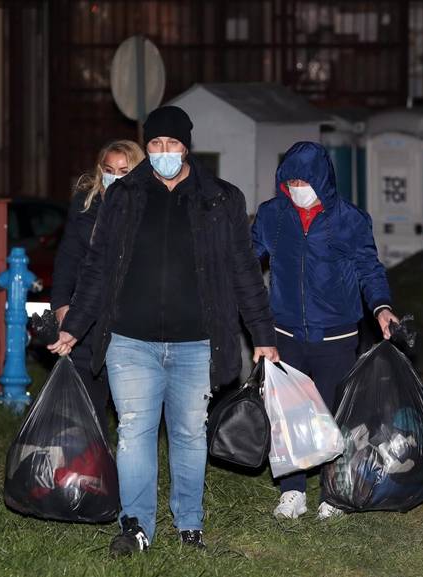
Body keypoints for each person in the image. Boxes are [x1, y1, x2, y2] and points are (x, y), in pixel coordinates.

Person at [47, 105, 278, 556]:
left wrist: (263, 334)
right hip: (130, 341)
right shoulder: (123, 197)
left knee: (190, 433)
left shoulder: (221, 199)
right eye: (155, 144)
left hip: (197, 342)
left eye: (172, 144)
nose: (163, 152)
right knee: (134, 430)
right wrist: (74, 326)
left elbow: (244, 272)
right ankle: (136, 525)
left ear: (186, 146)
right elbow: (96, 269)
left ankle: (189, 525)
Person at [251, 141, 399, 521]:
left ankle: (333, 493)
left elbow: (369, 268)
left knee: (334, 417)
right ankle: (292, 492)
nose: (297, 187)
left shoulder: (349, 219)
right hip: (285, 332)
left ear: (322, 180)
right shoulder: (272, 216)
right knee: (289, 416)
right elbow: (246, 259)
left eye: (305, 180)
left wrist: (381, 307)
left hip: (335, 335)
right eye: (291, 180)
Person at [50, 139, 144, 434]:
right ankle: (90, 466)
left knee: (126, 405)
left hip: (125, 322)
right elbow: (68, 258)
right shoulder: (85, 205)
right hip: (84, 316)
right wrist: (62, 305)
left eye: (124, 170)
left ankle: (123, 469)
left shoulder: (145, 211)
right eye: (108, 169)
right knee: (84, 405)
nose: (114, 176)